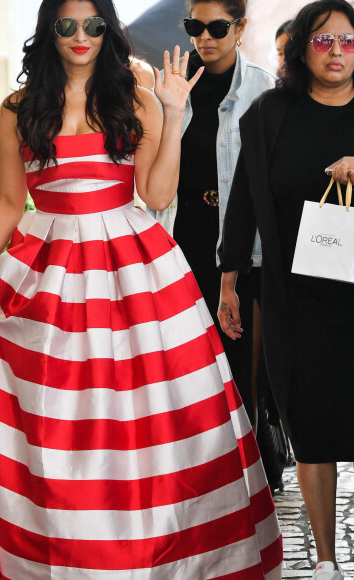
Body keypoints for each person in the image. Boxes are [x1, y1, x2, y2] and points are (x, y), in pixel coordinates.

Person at [0, 0, 283, 577]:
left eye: (93, 25)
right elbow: (13, 203)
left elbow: (159, 193)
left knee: (143, 414)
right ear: (48, 30)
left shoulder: (135, 96)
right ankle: (59, 543)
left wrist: (172, 113)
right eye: (66, 25)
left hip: (132, 268)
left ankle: (150, 549)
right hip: (43, 270)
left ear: (108, 31)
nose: (80, 37)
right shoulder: (18, 108)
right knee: (51, 418)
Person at [217, 1, 354, 578]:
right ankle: (326, 561)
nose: (336, 52)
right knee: (312, 422)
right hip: (298, 296)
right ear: (300, 48)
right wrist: (228, 279)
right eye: (322, 41)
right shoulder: (271, 112)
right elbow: (245, 199)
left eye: (347, 41)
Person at [147, 0, 275, 429]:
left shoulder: (264, 89)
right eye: (194, 26)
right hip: (183, 239)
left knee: (242, 372)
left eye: (217, 28)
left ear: (240, 28)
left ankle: (253, 471)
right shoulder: (172, 87)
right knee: (186, 367)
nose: (204, 37)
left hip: (244, 247)